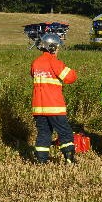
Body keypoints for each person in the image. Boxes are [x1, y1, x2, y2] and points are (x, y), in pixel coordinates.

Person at [31, 33, 78, 164]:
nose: (58, 50)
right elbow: (70, 77)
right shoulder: (54, 62)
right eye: (57, 47)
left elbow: (32, 75)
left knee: (44, 133)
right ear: (52, 47)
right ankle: (69, 159)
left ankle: (41, 161)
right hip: (54, 106)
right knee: (65, 133)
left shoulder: (35, 63)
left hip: (38, 108)